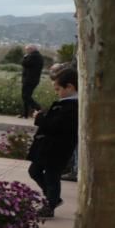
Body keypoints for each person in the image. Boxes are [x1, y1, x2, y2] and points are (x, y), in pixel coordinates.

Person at [28, 65, 78, 218]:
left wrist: (40, 118)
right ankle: (53, 198)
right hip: (48, 147)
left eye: (58, 89)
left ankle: (50, 204)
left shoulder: (73, 106)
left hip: (58, 149)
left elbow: (57, 126)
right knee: (34, 171)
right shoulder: (66, 103)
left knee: (52, 176)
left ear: (69, 87)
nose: (57, 93)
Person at [21, 44, 45, 118]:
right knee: (26, 96)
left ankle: (39, 108)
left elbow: (25, 63)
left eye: (27, 50)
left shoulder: (33, 56)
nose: (26, 51)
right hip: (33, 79)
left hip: (29, 79)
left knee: (25, 96)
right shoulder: (38, 56)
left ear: (31, 49)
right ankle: (25, 114)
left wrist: (25, 57)